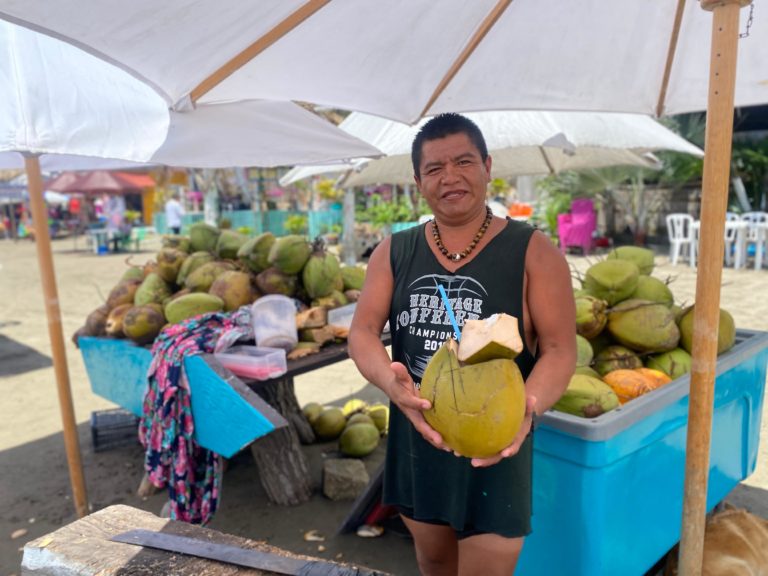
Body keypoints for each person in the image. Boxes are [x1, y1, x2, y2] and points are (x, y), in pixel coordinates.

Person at [348, 113, 576, 576]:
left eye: (464, 162)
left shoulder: (534, 252)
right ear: (419, 183)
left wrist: (527, 410)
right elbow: (363, 332)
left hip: (497, 442)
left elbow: (559, 349)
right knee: (433, 560)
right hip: (418, 436)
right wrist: (390, 385)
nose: (449, 176)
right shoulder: (393, 251)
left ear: (487, 167)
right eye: (434, 168)